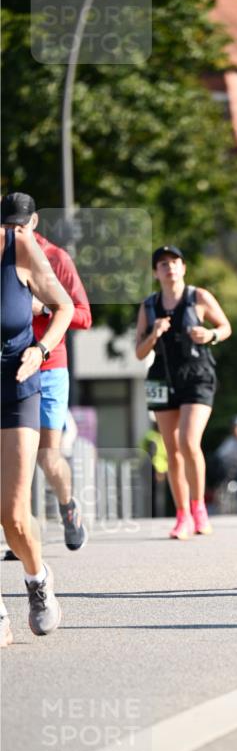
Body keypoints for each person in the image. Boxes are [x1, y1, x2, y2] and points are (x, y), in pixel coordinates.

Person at [1, 192, 92, 554]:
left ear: (34, 222)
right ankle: (19, 530)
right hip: (10, 368)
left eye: (20, 225)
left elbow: (81, 314)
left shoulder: (55, 257)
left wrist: (38, 308)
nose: (14, 232)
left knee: (46, 456)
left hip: (50, 366)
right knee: (13, 458)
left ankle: (68, 506)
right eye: (7, 225)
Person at [1, 223, 74, 647]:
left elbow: (63, 306)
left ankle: (37, 577)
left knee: (12, 513)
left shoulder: (18, 246)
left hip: (16, 381)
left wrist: (40, 349)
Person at [135, 245, 231, 539]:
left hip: (197, 376)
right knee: (173, 450)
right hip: (162, 379)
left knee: (189, 442)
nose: (169, 267)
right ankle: (182, 516)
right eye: (162, 263)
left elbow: (225, 326)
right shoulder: (149, 306)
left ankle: (199, 507)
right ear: (155, 272)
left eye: (175, 262)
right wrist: (154, 333)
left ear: (183, 267)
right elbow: (139, 352)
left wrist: (210, 334)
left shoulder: (197, 297)